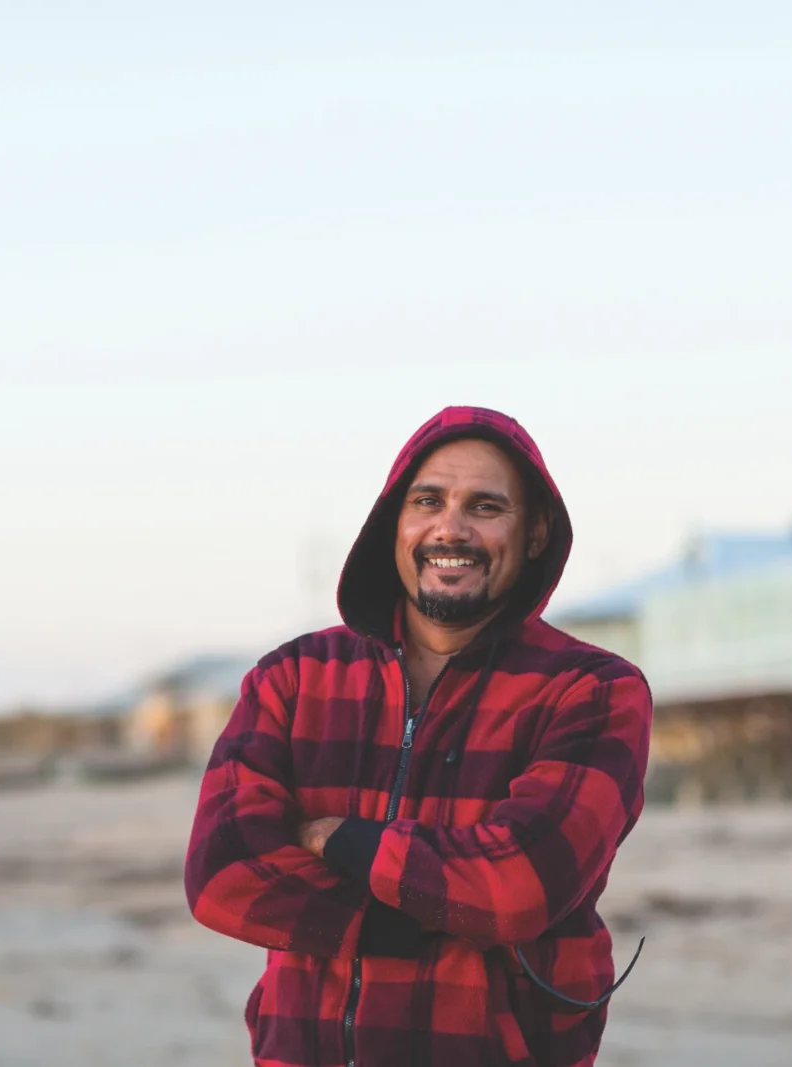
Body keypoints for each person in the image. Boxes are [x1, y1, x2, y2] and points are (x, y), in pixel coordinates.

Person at [184, 407, 652, 1067]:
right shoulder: (292, 680)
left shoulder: (591, 690)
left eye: (486, 506)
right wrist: (418, 913)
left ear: (537, 532)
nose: (449, 528)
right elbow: (222, 871)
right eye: (427, 500)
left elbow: (522, 882)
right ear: (393, 522)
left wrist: (337, 838)